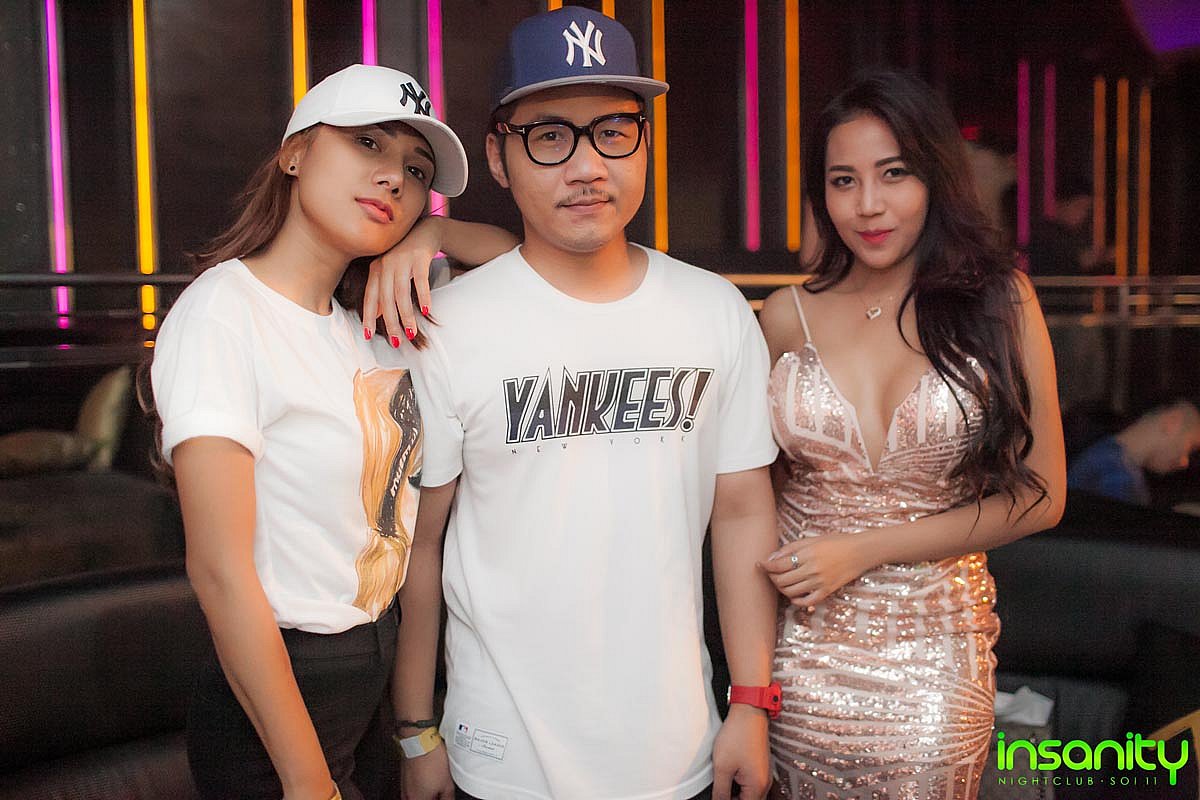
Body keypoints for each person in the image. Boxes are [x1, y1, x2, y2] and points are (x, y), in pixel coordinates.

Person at [399, 8, 780, 800]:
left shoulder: (714, 312)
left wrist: (751, 699)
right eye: (550, 136)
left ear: (644, 142)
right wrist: (414, 730)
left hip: (675, 751)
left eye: (613, 131)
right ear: (499, 156)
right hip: (501, 759)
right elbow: (420, 545)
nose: (586, 167)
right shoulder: (450, 328)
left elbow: (744, 512)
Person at [150, 64, 512, 800]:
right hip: (278, 705)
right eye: (367, 143)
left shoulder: (371, 319)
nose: (394, 179)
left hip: (370, 681)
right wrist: (308, 779)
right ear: (295, 153)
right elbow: (219, 572)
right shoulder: (225, 312)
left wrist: (434, 233)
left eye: (416, 170)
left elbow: (519, 265)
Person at [756, 71, 1066, 799]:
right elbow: (757, 504)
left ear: (934, 175)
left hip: (936, 658)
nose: (868, 204)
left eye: (893, 173)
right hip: (799, 656)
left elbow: (1045, 495)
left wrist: (862, 549)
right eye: (843, 181)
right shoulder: (785, 315)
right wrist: (750, 684)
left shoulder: (1001, 301)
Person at [1068, 401, 1200, 505]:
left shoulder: (1101, 453)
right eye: (1191, 448)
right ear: (1172, 422)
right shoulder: (1117, 474)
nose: (1185, 462)